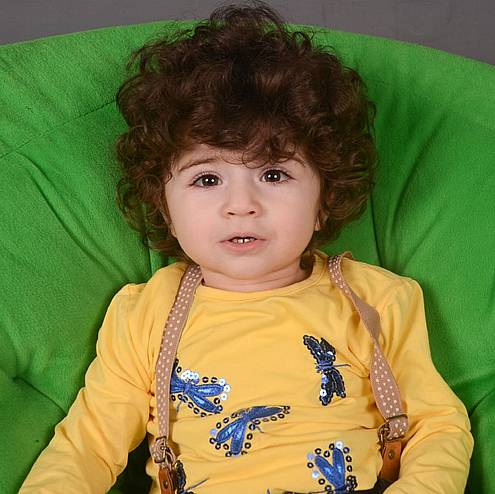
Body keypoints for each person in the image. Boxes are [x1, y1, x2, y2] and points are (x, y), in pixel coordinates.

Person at [20, 1, 473, 493]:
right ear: (165, 207)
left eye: (273, 174)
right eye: (207, 178)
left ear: (325, 200)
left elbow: (437, 426)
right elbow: (86, 446)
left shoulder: (377, 301)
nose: (241, 205)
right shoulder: (147, 312)